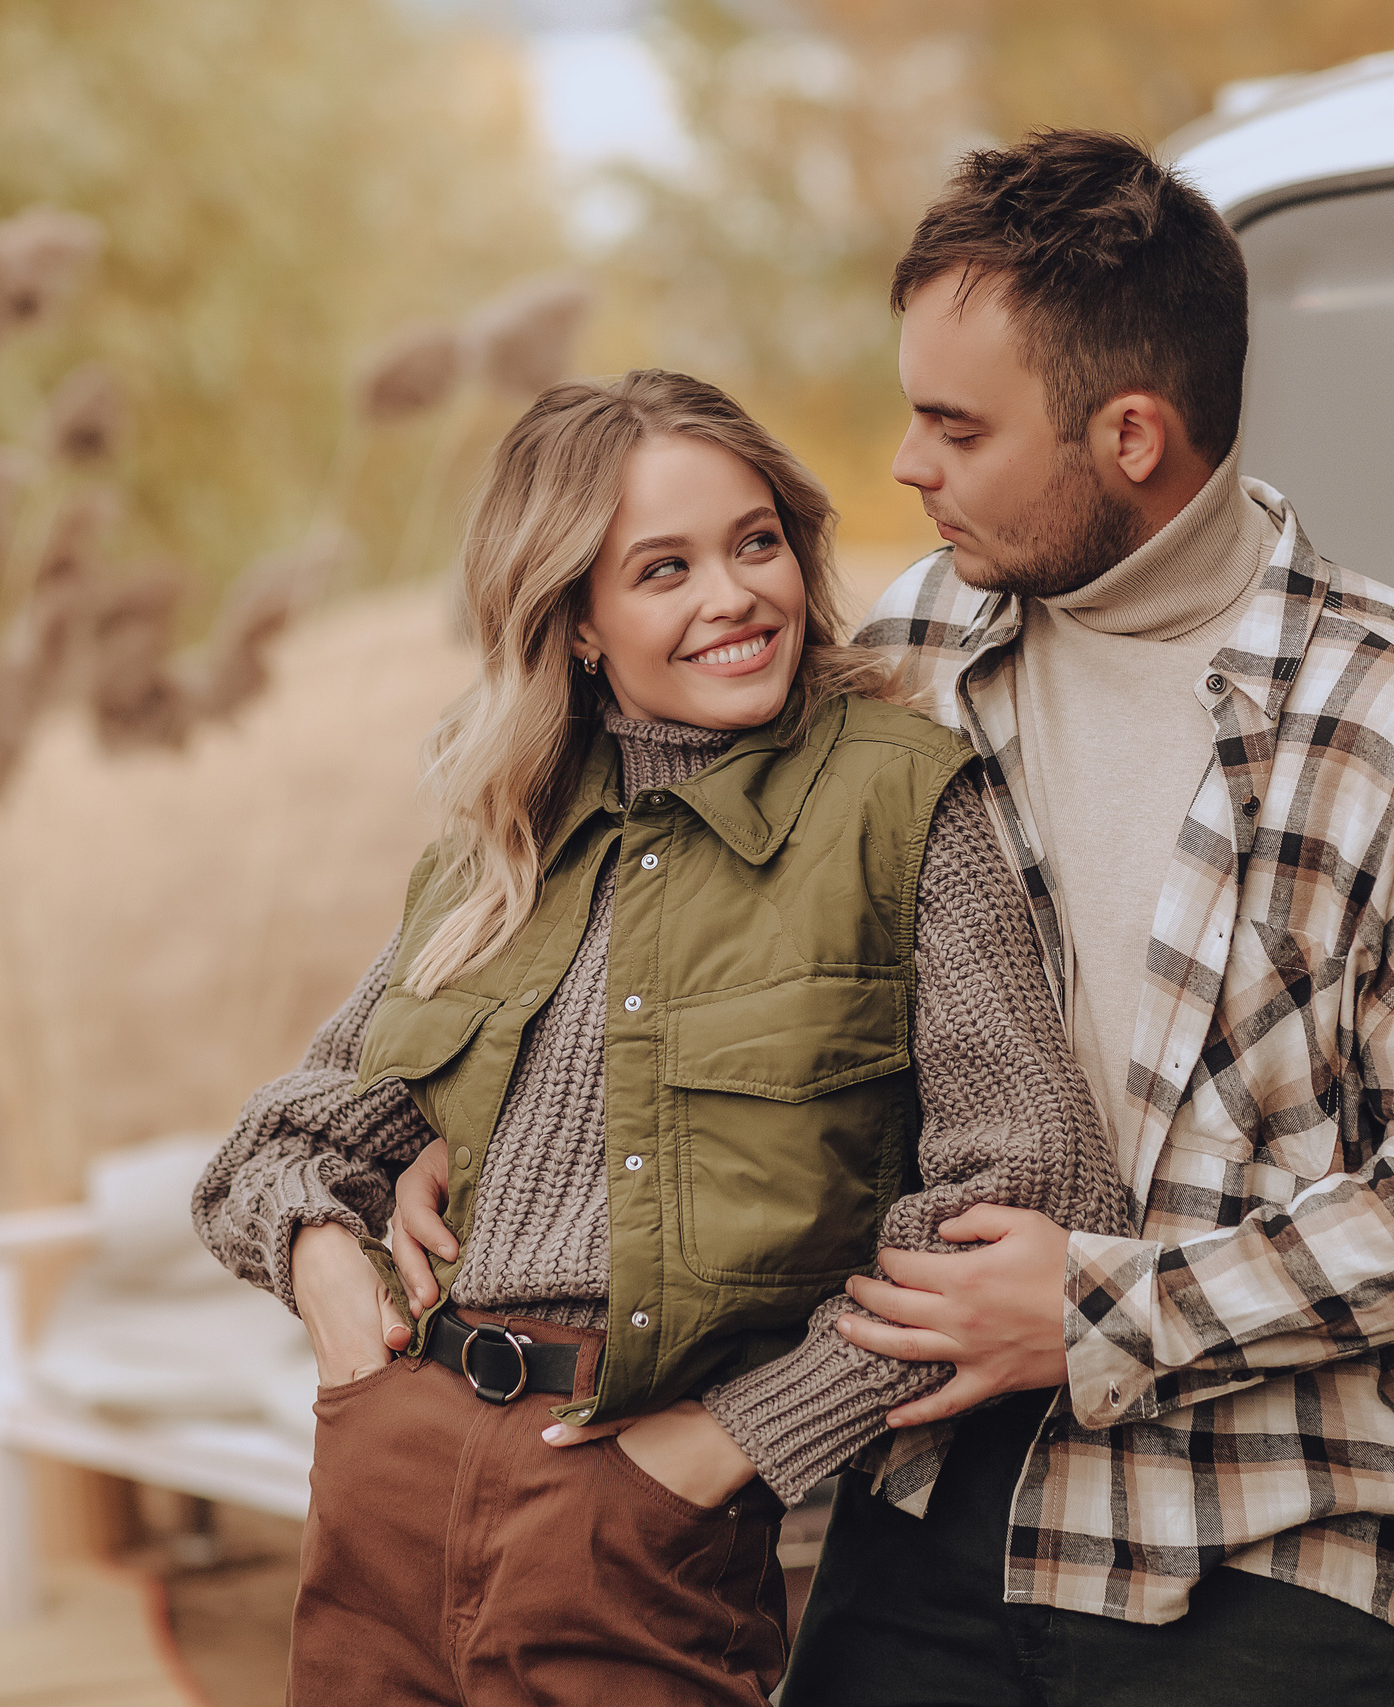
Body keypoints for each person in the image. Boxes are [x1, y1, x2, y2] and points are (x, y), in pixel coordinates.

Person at [765, 130, 1394, 1704]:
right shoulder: (915, 649)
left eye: (954, 424)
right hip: (936, 1513)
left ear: (1130, 433)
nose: (907, 466)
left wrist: (1096, 1310)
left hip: (1275, 1553)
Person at [193, 368, 1124, 1706]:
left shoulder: (901, 799)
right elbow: (275, 1144)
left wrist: (739, 1439)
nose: (733, 597)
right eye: (663, 569)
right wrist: (328, 1269)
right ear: (577, 618)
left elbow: (1031, 1189)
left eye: (756, 545)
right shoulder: (502, 843)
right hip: (389, 1481)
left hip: (636, 1512)